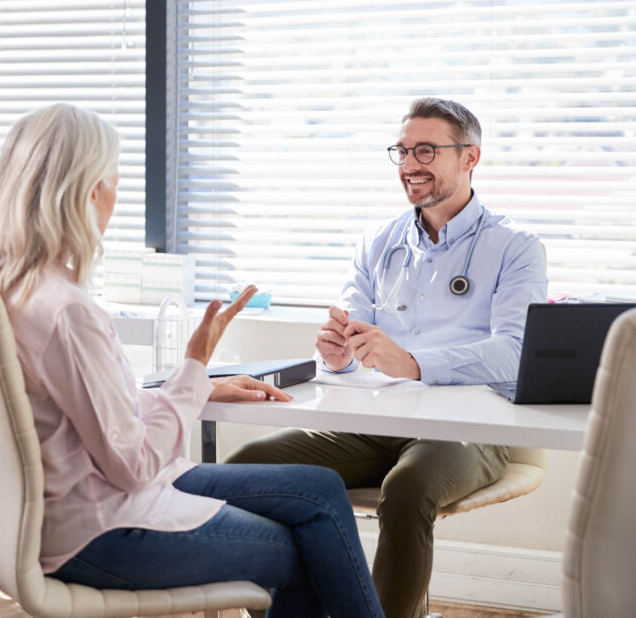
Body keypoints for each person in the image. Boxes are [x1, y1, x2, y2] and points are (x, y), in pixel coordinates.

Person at [0, 103, 384, 618]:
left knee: (320, 489)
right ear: (87, 190)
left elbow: (82, 411)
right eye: (113, 179)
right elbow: (135, 464)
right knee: (306, 546)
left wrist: (198, 388)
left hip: (64, 510)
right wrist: (193, 366)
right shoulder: (66, 311)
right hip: (104, 529)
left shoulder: (6, 287)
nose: (115, 196)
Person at [227, 97, 548, 618]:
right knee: (246, 467)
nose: (410, 165)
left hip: (470, 427)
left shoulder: (515, 246)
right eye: (401, 151)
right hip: (373, 422)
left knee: (408, 488)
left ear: (470, 158)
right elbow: (354, 350)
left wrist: (416, 363)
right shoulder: (378, 242)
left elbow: (515, 353)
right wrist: (337, 354)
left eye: (426, 150)